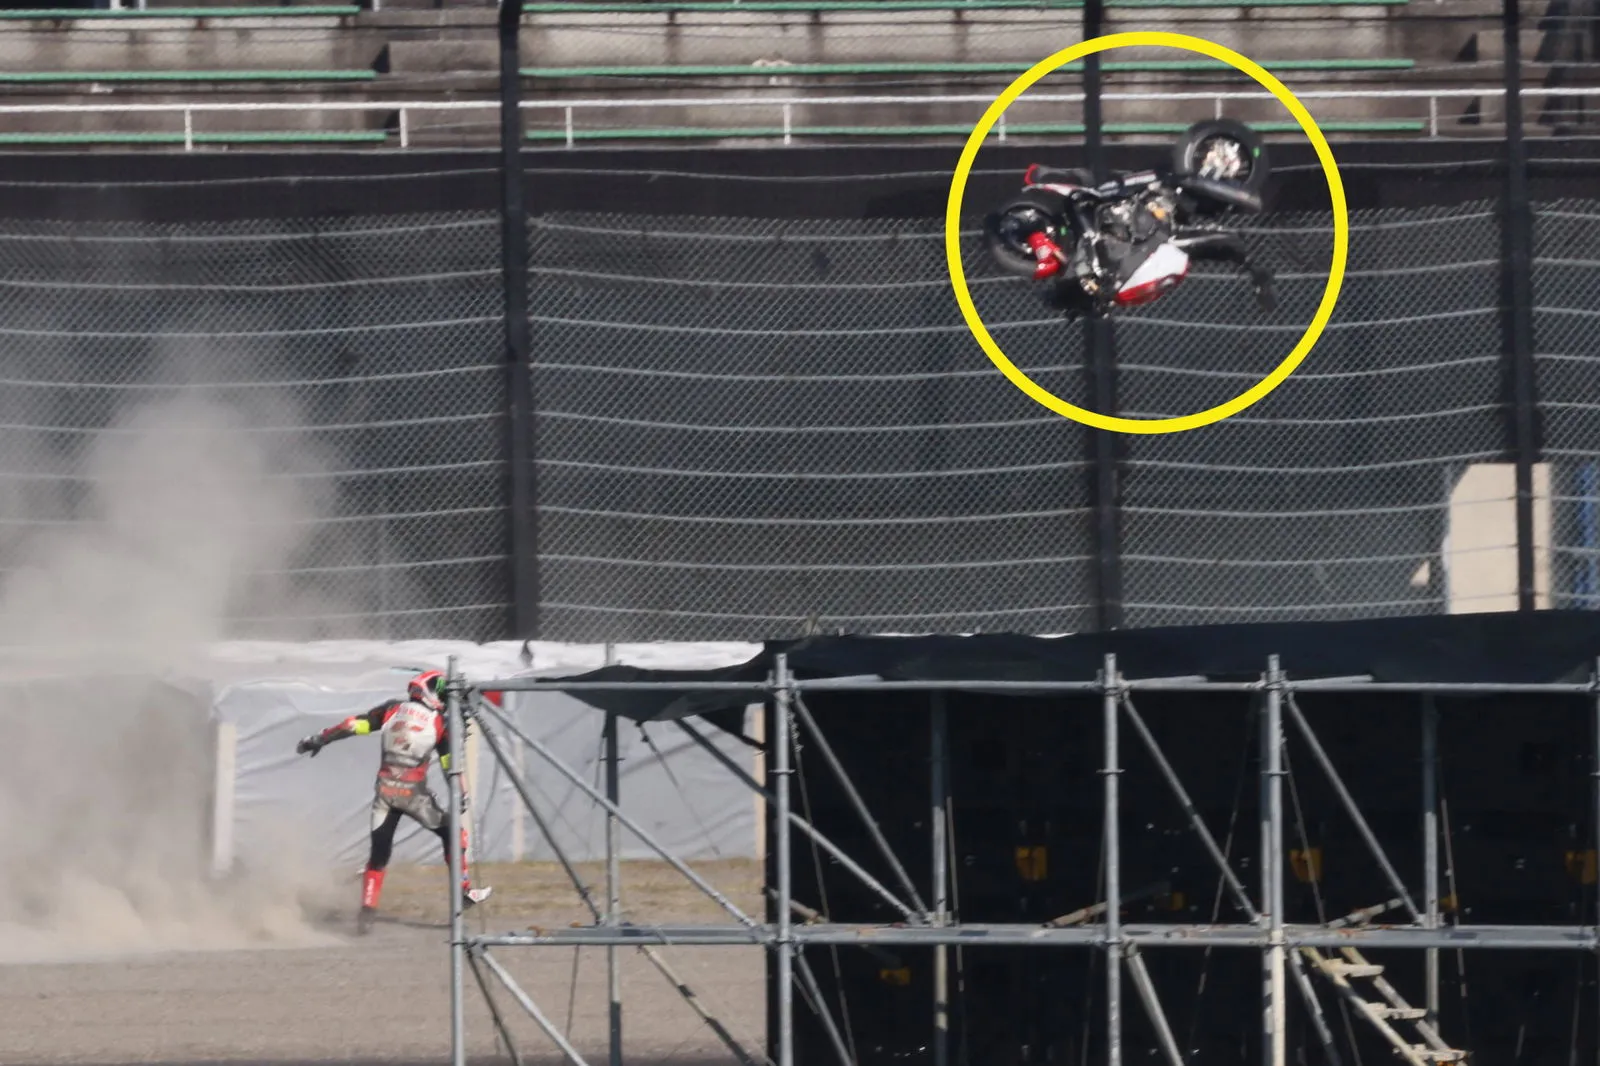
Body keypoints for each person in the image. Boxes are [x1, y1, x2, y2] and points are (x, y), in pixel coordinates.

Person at [295, 669, 492, 934]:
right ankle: (463, 890)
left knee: (378, 856)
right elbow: (450, 767)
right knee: (454, 835)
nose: (444, 699)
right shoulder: (439, 722)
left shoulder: (391, 710)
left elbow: (354, 725)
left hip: (385, 794)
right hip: (414, 795)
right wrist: (462, 795)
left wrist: (320, 738)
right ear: (431, 691)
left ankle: (366, 916)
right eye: (442, 693)